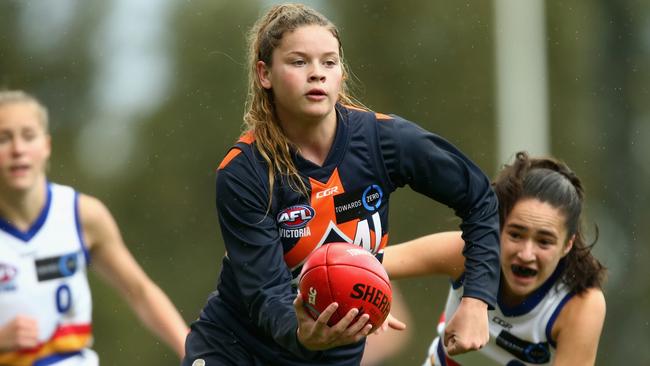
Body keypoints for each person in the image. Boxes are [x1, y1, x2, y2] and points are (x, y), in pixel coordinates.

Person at [182, 3, 501, 366]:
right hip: (237, 346)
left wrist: (476, 301)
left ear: (341, 74)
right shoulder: (244, 171)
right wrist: (302, 333)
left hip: (333, 353)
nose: (316, 74)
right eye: (299, 62)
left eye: (329, 62)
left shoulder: (385, 141)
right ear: (264, 74)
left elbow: (480, 199)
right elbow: (267, 295)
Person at [0, 90, 189, 365]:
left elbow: (140, 291)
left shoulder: (82, 214)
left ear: (46, 145)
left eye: (28, 136)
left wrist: (192, 350)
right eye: (4, 138)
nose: (18, 149)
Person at [383, 151, 607, 365]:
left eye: (544, 241)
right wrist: (373, 303)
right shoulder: (465, 252)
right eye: (516, 234)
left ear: (567, 244)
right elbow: (364, 262)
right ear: (496, 228)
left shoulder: (581, 304)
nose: (526, 254)